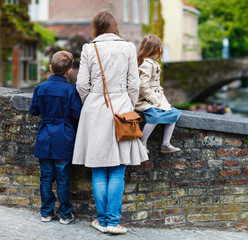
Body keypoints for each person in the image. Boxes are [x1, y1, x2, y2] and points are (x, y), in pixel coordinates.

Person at [72, 9, 148, 234]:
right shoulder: (128, 47)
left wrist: (92, 101)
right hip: (122, 109)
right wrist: (127, 104)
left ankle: (102, 220)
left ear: (95, 27)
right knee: (117, 169)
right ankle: (113, 222)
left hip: (95, 110)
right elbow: (134, 84)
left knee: (98, 168)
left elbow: (81, 84)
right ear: (115, 26)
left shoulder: (89, 48)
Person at [29, 51, 82, 225]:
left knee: (46, 177)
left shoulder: (40, 88)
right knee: (63, 178)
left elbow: (34, 110)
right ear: (69, 71)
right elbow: (77, 114)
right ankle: (65, 214)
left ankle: (46, 212)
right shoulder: (71, 90)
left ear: (50, 68)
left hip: (45, 135)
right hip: (64, 137)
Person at [135, 34, 182, 153]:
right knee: (155, 116)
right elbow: (143, 86)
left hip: (155, 97)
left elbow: (152, 82)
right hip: (144, 100)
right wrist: (155, 101)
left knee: (174, 114)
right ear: (156, 50)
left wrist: (159, 89)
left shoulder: (152, 63)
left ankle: (166, 143)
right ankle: (142, 143)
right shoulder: (146, 64)